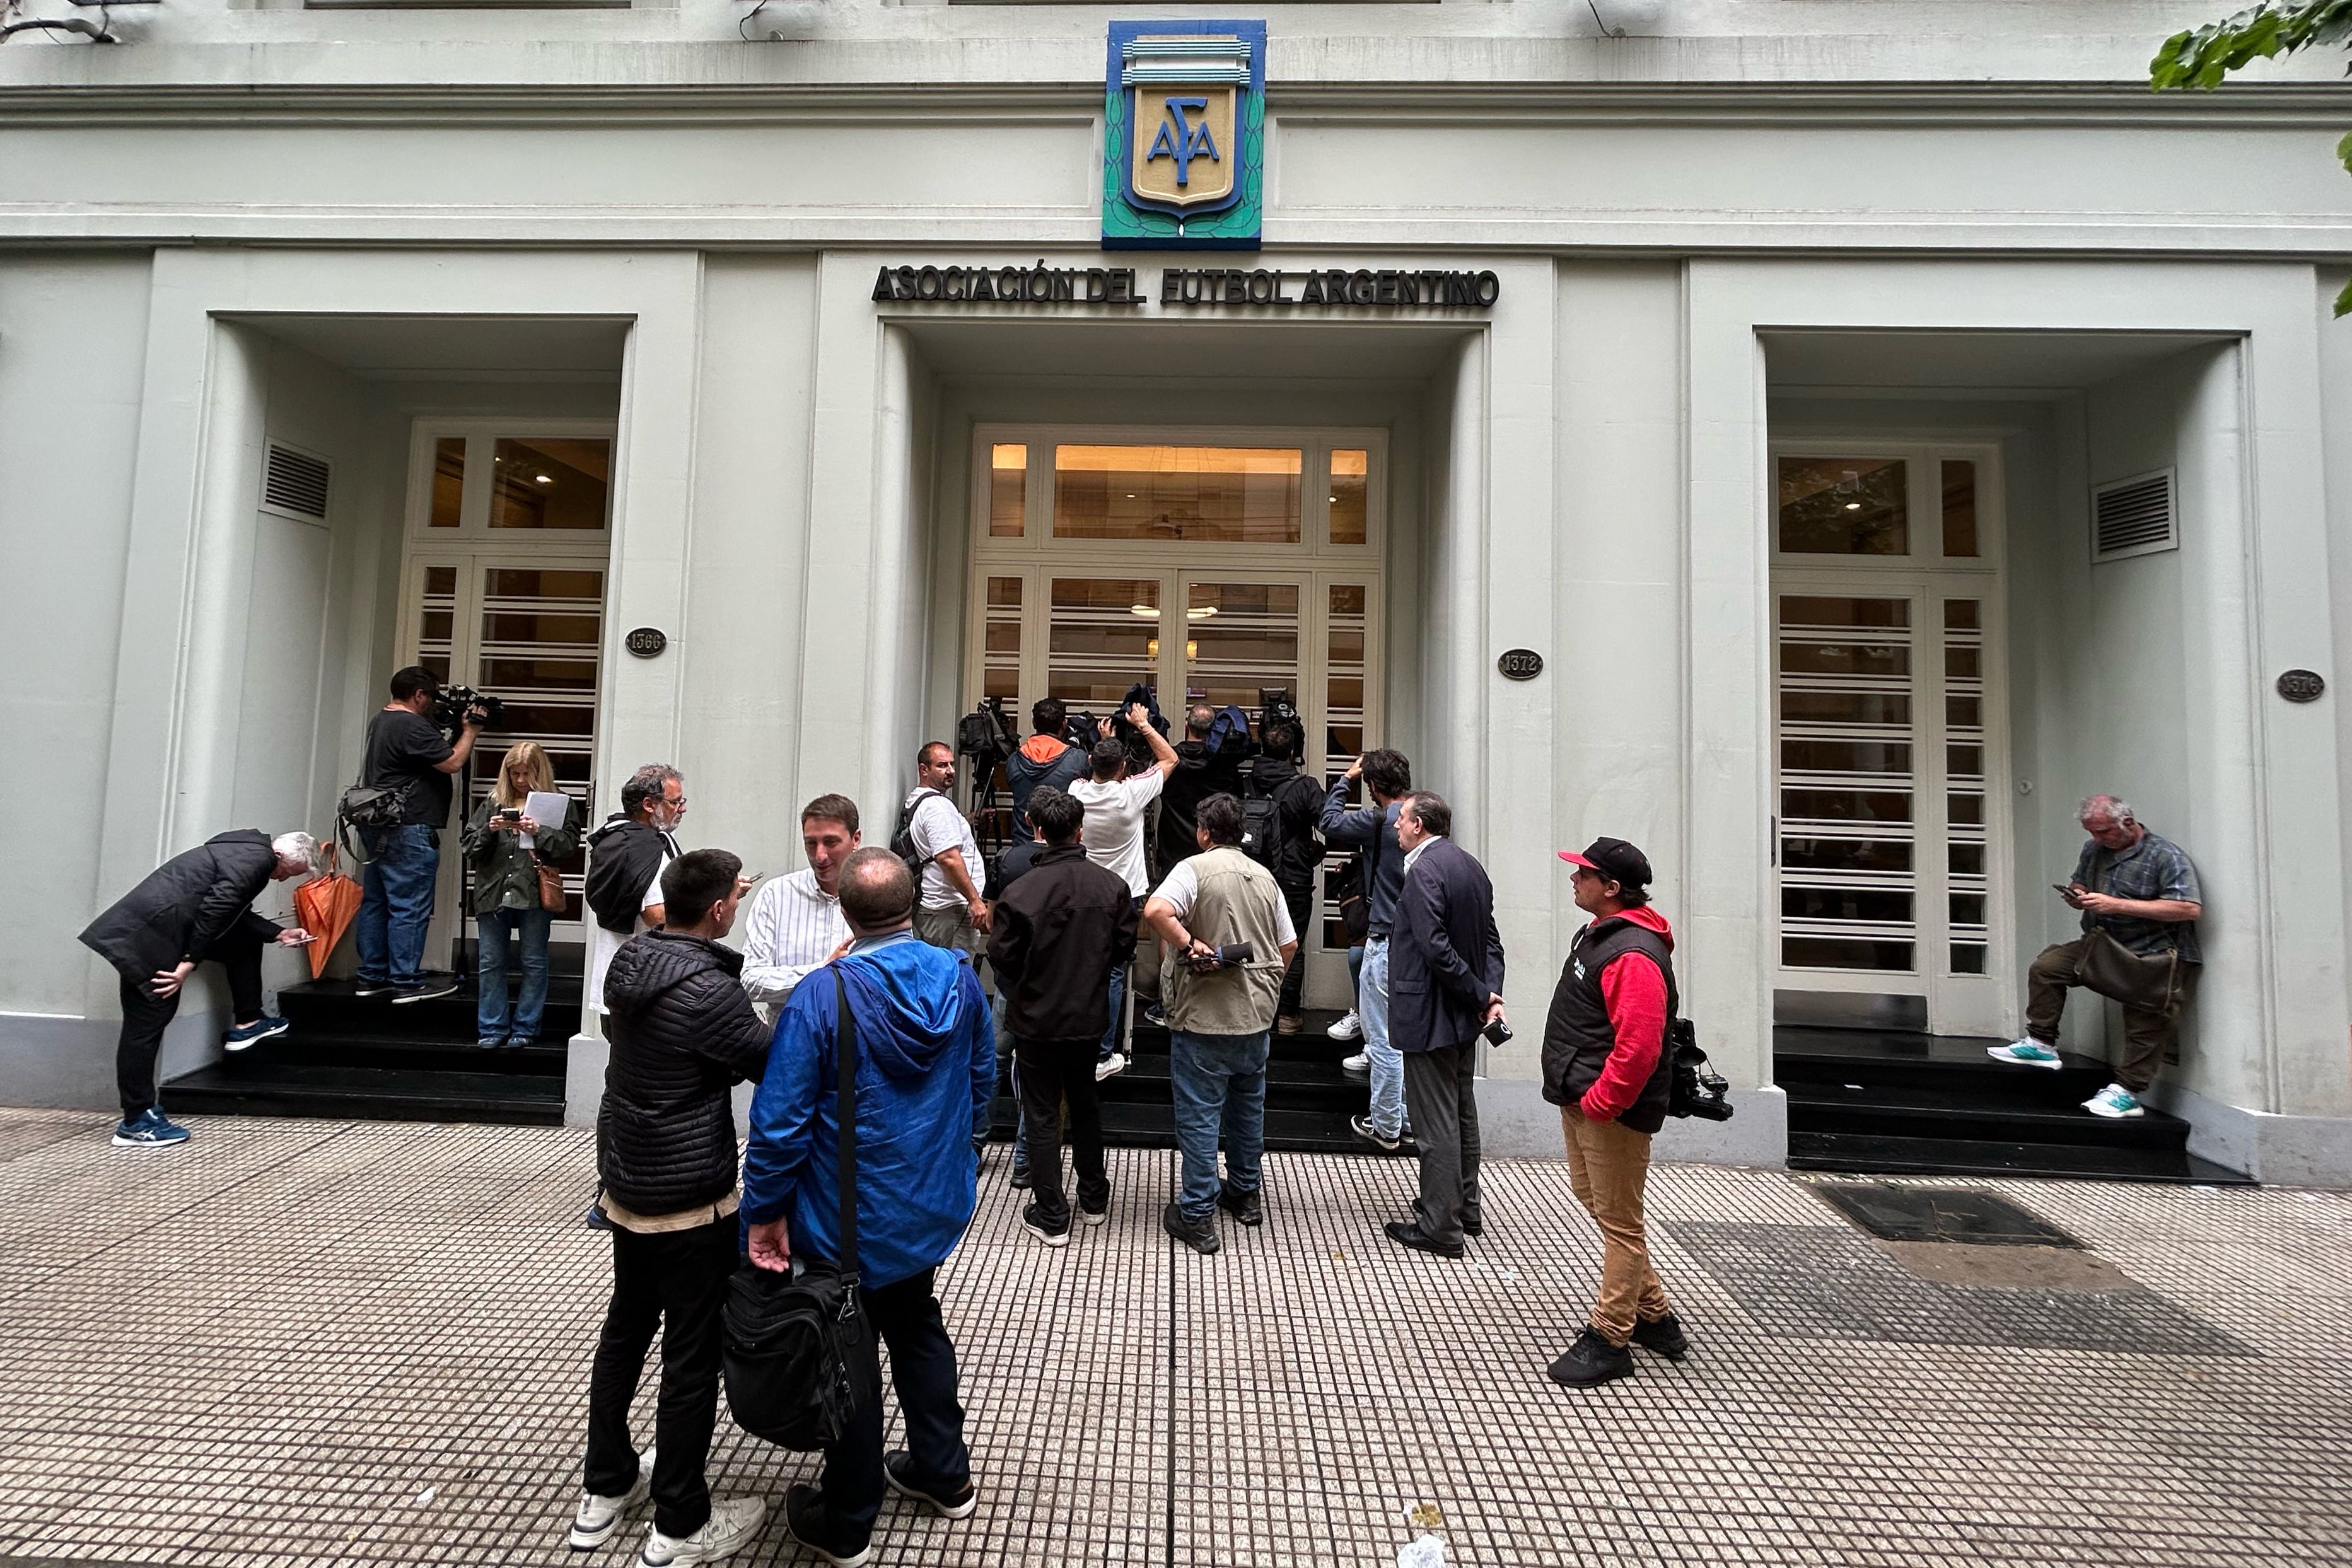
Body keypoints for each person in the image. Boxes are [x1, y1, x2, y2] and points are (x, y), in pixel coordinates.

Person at [743, 849, 994, 1567]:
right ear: (912, 906)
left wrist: (763, 1212)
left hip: (843, 1217)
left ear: (845, 915)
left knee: (845, 1351)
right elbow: (982, 1079)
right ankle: (944, 1475)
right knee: (916, 1325)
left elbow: (781, 1120)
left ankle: (847, 1519)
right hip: (927, 1204)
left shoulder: (825, 994)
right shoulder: (956, 977)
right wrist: (957, 1155)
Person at [577, 848, 772, 1564]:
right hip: (691, 1197)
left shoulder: (631, 964)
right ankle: (679, 1522)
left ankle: (603, 1489)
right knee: (691, 1356)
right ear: (721, 909)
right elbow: (766, 1059)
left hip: (630, 1183)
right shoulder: (709, 991)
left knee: (625, 1330)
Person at [1539, 836, 1689, 1388]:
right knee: (1599, 1203)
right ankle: (1656, 1317)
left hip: (1609, 1111)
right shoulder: (1602, 936)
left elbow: (1640, 1047)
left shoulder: (1632, 954)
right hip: (1583, 1099)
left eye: (1584, 874)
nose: (1574, 880)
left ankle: (1610, 1336)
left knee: (1621, 1223)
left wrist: (1603, 1101)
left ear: (1612, 888)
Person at [79, 831, 321, 1147]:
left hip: (153, 931)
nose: (280, 879)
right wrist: (187, 964)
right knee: (146, 1026)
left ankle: (249, 1021)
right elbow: (215, 910)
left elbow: (233, 913)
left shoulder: (243, 851)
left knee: (243, 944)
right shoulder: (259, 860)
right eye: (288, 873)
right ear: (283, 858)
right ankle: (136, 1120)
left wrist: (278, 934)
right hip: (148, 940)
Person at [1142, 793, 1297, 1255]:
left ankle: (1197, 1215)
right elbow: (1287, 945)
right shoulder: (1266, 877)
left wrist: (1191, 944)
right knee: (1249, 1109)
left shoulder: (1192, 869)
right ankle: (1246, 1195)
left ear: (1204, 832)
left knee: (1200, 1115)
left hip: (1203, 1018)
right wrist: (1264, 983)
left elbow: (1155, 911)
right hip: (1254, 1018)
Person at [1988, 794, 2204, 1120]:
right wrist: (2079, 895)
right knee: (2048, 967)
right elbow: (2081, 880)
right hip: (2103, 943)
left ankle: (2126, 1093)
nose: (2097, 839)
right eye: (2092, 833)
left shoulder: (2166, 856)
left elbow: (2188, 908)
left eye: (2104, 832)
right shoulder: (2094, 850)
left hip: (2155, 954)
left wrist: (2116, 904)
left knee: (2145, 1025)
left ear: (2128, 823)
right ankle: (2041, 1043)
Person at [987, 786, 1138, 1246]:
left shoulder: (1020, 891)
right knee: (1086, 1101)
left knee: (1040, 1110)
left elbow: (1002, 957)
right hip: (1089, 1015)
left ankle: (1052, 1212)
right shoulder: (1112, 886)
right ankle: (1093, 1196)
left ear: (1036, 829)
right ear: (1080, 829)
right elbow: (1124, 949)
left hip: (1035, 1017)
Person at [1380, 794, 1505, 1262]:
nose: (1395, 825)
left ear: (1418, 824)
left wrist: (1478, 993)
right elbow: (1491, 940)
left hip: (1430, 1012)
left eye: (1402, 818)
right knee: (1460, 1112)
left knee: (1435, 1123)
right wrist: (1488, 994)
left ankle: (1440, 1225)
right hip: (1462, 1015)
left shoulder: (1424, 872)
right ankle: (1465, 1209)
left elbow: (1432, 946)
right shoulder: (1469, 865)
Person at [352, 665, 486, 1003]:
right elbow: (452, 763)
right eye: (432, 695)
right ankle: (407, 982)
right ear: (419, 695)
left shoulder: (381, 720)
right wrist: (470, 730)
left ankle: (372, 976)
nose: (434, 702)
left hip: (378, 824)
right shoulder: (411, 725)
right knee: (408, 906)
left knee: (376, 903)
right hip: (408, 826)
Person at [1068, 702, 1180, 1079]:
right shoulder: (1133, 793)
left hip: (1084, 891)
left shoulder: (1076, 791)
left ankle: (1080, 1046)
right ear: (1124, 768)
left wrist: (1105, 744)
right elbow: (1170, 760)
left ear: (1091, 763)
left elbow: (1097, 771)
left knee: (1083, 968)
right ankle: (1104, 1055)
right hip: (1125, 893)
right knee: (1115, 972)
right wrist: (1144, 725)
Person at [1320, 748, 1415, 1151]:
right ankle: (1409, 1118)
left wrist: (1346, 779)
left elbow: (1328, 822)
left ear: (1373, 785)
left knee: (1382, 1038)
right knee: (1407, 1036)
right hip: (1414, 939)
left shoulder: (1378, 820)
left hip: (1383, 936)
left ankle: (1386, 1125)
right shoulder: (1421, 816)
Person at [460, 740, 579, 1050]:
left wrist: (539, 830)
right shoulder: (492, 801)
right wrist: (490, 829)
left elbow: (569, 846)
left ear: (539, 772)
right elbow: (469, 846)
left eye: (527, 774)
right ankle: (492, 1027)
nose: (521, 781)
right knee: (490, 962)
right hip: (494, 891)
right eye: (515, 774)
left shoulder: (558, 803)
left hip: (534, 892)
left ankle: (525, 1027)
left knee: (534, 962)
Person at [739, 794, 859, 1024]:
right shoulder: (777, 894)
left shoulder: (877, 892)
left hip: (856, 1041)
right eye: (811, 844)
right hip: (789, 1038)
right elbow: (750, 980)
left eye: (831, 843)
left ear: (856, 839)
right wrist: (822, 972)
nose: (820, 856)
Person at [1242, 721, 1327, 1035]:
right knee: (1292, 941)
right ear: (1293, 753)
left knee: (1248, 938)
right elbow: (1330, 822)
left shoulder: (1245, 783)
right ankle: (1287, 1015)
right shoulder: (1305, 786)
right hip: (1293, 876)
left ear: (1261, 750)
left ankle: (1251, 1009)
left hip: (1250, 874)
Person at [584, 764, 686, 1023]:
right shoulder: (648, 848)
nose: (682, 809)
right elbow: (656, 915)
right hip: (644, 985)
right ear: (649, 805)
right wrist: (707, 907)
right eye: (675, 802)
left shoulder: (613, 838)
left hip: (612, 979)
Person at [902, 742, 991, 955]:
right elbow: (948, 858)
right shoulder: (937, 807)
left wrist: (968, 820)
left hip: (938, 910)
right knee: (954, 980)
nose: (950, 770)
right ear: (924, 770)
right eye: (942, 765)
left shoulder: (921, 800)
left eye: (951, 764)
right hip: (948, 911)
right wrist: (975, 901)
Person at [1154, 702, 1247, 877]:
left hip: (1173, 851)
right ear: (1214, 730)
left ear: (1187, 726)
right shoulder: (1225, 765)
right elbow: (1237, 801)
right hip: (1213, 851)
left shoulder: (1169, 763)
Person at [1004, 697, 1088, 840]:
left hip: (1023, 848)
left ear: (1034, 723)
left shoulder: (1014, 761)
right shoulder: (1078, 759)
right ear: (1064, 724)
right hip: (1061, 850)